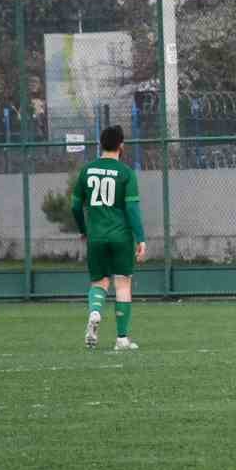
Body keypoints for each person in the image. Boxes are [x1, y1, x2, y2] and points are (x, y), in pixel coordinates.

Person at [71, 125, 146, 351]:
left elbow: (75, 206)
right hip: (121, 236)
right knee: (122, 284)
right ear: (121, 145)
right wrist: (140, 239)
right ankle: (122, 339)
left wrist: (83, 229)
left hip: (96, 237)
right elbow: (132, 209)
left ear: (101, 144)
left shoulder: (87, 171)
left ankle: (95, 312)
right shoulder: (126, 173)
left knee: (99, 282)